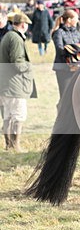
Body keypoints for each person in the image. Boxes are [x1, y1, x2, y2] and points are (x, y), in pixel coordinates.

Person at [0, 12, 37, 151]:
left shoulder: (9, 35)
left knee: (8, 115)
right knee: (18, 115)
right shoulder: (15, 38)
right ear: (23, 24)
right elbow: (17, 62)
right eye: (27, 24)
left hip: (7, 83)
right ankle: (15, 145)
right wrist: (28, 67)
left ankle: (9, 145)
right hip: (14, 84)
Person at [52, 9, 80, 100]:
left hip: (76, 68)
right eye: (76, 18)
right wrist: (75, 52)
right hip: (63, 69)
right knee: (65, 96)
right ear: (69, 19)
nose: (77, 21)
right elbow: (60, 49)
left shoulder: (77, 33)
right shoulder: (59, 32)